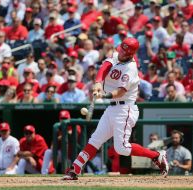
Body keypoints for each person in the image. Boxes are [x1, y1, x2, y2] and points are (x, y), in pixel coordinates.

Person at [63, 37, 169, 180]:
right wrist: (98, 83)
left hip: (125, 109)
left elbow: (120, 92)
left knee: (122, 148)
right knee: (95, 140)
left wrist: (104, 95)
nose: (119, 53)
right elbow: (105, 66)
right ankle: (74, 170)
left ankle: (157, 156)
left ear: (130, 53)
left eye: (123, 51)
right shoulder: (117, 56)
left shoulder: (131, 68)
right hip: (112, 109)